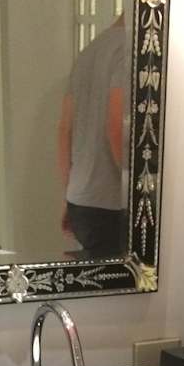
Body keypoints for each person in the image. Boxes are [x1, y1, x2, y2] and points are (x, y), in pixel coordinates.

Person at [57, 14, 127, 256]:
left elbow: (65, 130)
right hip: (112, 204)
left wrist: (69, 197)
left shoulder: (90, 50)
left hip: (82, 201)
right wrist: (138, 195)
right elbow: (116, 127)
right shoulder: (129, 49)